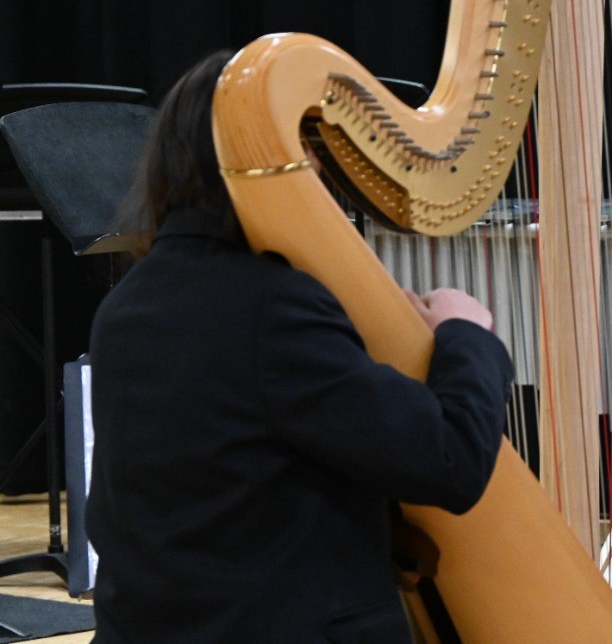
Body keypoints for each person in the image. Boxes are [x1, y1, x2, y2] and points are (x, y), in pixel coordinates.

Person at [84, 51, 514, 644]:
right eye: (306, 148)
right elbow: (450, 460)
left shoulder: (125, 305)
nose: (320, 166)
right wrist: (467, 333)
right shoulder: (274, 309)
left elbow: (223, 486)